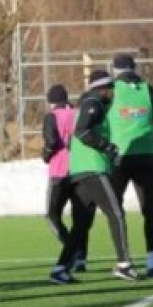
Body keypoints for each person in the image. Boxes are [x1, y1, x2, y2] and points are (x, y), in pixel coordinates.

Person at [60, 69, 140, 282]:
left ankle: (60, 268)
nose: (113, 92)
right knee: (116, 213)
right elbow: (82, 132)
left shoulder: (86, 104)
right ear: (102, 89)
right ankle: (124, 264)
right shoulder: (93, 103)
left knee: (81, 224)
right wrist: (106, 146)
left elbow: (72, 140)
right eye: (111, 88)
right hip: (93, 168)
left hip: (80, 170)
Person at [107, 54, 153, 277]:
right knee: (150, 210)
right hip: (147, 156)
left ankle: (124, 260)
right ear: (134, 68)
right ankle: (152, 262)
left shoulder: (112, 90)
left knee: (116, 210)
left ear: (115, 70)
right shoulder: (148, 90)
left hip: (119, 157)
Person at [42, 84, 95, 283]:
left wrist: (46, 155)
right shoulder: (77, 113)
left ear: (51, 102)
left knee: (52, 215)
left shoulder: (51, 116)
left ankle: (69, 249)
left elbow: (51, 141)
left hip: (59, 172)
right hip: (79, 169)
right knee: (79, 218)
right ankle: (81, 257)